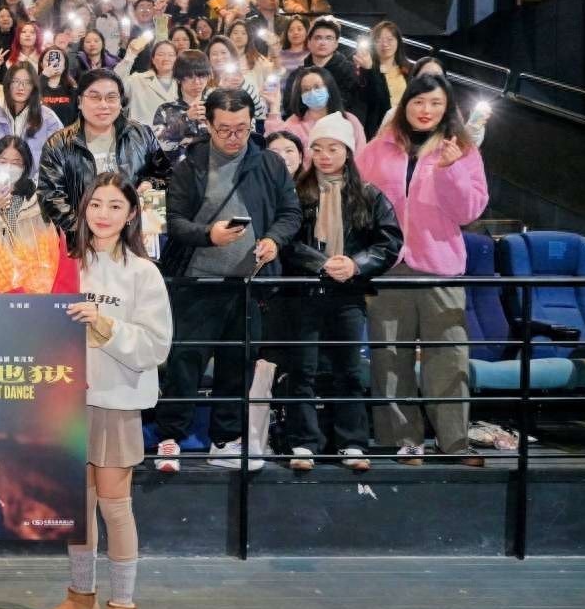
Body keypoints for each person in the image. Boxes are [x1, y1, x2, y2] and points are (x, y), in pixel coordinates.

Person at [39, 173, 172, 609]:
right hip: (65, 401)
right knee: (77, 505)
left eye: (115, 206)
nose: (103, 214)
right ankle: (80, 599)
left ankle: (122, 608)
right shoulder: (63, 263)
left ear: (131, 213)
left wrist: (103, 323)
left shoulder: (143, 273)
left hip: (116, 400)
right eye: (96, 204)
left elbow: (156, 346)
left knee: (115, 506)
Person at [154, 89, 302, 473]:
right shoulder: (190, 166)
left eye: (242, 128)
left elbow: (290, 213)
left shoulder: (268, 163)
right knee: (185, 362)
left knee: (239, 364)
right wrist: (209, 235)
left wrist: (274, 240)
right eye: (224, 130)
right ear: (208, 125)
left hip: (249, 283)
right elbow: (176, 224)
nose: (234, 137)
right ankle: (170, 437)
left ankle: (226, 440)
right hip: (198, 283)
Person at [356, 73, 488, 467]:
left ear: (447, 108)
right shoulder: (378, 148)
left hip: (440, 270)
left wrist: (450, 169)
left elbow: (469, 211)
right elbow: (356, 202)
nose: (425, 110)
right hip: (388, 269)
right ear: (405, 105)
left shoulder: (462, 150)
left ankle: (455, 442)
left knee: (449, 358)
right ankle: (403, 442)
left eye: (435, 103)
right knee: (389, 360)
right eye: (418, 101)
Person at [280, 113, 402, 472]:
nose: (324, 156)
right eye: (317, 148)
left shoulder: (368, 194)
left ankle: (352, 443)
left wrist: (355, 265)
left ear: (348, 151)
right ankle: (303, 443)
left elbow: (389, 242)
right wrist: (319, 263)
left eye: (333, 148)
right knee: (301, 370)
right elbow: (284, 239)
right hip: (304, 293)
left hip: (348, 294)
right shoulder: (294, 192)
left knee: (349, 371)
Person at [38, 69, 166, 252]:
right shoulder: (58, 144)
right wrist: (88, 233)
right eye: (95, 97)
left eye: (111, 97)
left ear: (121, 102)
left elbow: (165, 175)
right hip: (83, 246)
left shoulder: (142, 135)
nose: (103, 105)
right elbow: (50, 198)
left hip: (136, 242)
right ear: (80, 102)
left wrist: (150, 184)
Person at [265, 67, 367, 170]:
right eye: (306, 90)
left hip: (347, 178)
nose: (312, 92)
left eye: (317, 87)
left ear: (329, 88)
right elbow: (275, 146)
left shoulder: (349, 120)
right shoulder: (294, 123)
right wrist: (274, 106)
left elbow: (361, 157)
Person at [0, 62, 63, 171]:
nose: (21, 87)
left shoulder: (49, 119)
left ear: (34, 87)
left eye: (27, 82)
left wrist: (32, 180)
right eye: (16, 81)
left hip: (36, 181)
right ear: (8, 84)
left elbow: (58, 158)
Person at [151, 49, 211, 171]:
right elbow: (160, 145)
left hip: (212, 173)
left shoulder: (215, 107)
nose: (197, 82)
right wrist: (186, 119)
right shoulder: (166, 109)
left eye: (201, 76)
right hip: (176, 174)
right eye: (190, 76)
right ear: (178, 78)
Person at [352, 20, 410, 131]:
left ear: (398, 41)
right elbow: (369, 99)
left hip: (404, 126)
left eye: (390, 39)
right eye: (378, 40)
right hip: (377, 128)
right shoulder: (365, 69)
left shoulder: (408, 69)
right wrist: (368, 69)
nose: (385, 44)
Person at [116, 34, 177, 126]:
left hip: (173, 133)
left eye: (171, 55)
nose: (166, 58)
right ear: (153, 59)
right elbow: (115, 83)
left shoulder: (182, 83)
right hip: (141, 133)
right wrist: (130, 55)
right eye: (160, 54)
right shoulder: (137, 79)